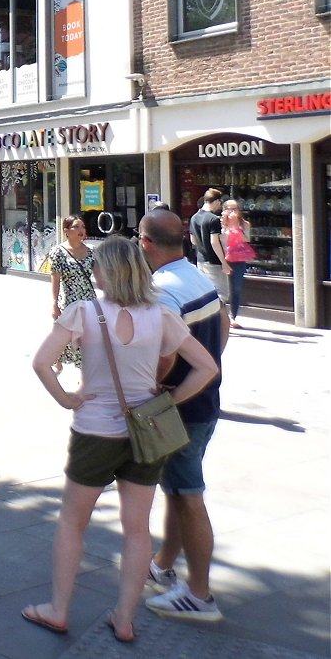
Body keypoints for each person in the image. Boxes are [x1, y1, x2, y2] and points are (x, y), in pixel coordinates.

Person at [24, 236, 218, 644]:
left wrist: (66, 399)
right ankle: (125, 618)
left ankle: (58, 609)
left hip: (95, 429)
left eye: (96, 265)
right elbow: (206, 367)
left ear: (107, 271)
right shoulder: (160, 316)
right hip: (144, 432)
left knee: (73, 522)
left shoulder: (83, 312)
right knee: (137, 529)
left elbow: (41, 362)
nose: (92, 270)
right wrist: (168, 400)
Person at [139, 208, 230, 623]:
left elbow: (166, 355)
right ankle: (162, 563)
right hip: (206, 401)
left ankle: (199, 594)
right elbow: (224, 322)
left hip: (182, 409)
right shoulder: (196, 277)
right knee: (177, 489)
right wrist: (209, 366)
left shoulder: (161, 291)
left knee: (188, 496)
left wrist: (162, 391)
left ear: (146, 243)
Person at [47, 214, 95, 370]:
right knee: (65, 335)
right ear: (66, 231)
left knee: (86, 336)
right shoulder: (58, 252)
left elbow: (101, 276)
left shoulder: (91, 251)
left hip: (88, 301)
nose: (81, 230)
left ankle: (84, 371)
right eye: (76, 227)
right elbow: (55, 279)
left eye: (82, 226)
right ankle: (57, 357)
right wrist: (54, 303)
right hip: (68, 301)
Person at [189, 188, 230, 305]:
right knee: (222, 294)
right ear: (216, 201)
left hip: (201, 260)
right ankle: (220, 320)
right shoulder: (213, 219)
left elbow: (193, 241)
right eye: (220, 203)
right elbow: (214, 242)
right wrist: (224, 262)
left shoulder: (194, 218)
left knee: (206, 292)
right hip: (214, 262)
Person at [220, 199, 256, 326]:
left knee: (236, 288)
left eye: (235, 208)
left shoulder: (244, 224)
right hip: (223, 259)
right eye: (229, 208)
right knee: (223, 289)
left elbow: (246, 239)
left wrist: (235, 226)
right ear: (224, 210)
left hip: (239, 260)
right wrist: (226, 225)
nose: (232, 211)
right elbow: (220, 241)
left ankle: (233, 316)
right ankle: (221, 316)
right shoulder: (219, 224)